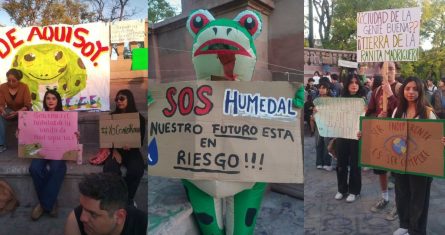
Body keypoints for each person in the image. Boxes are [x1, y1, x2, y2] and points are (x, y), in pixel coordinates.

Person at [390, 76, 443, 235]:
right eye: (407, 89)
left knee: (418, 198)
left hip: (421, 163)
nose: (411, 92)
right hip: (400, 161)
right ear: (403, 91)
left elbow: (436, 136)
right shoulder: (397, 111)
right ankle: (404, 225)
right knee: (402, 193)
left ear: (420, 91)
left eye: (415, 89)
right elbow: (390, 134)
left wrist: (442, 140)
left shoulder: (427, 112)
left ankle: (416, 230)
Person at [28, 89, 80, 220]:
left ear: (58, 101)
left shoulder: (66, 117)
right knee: (34, 168)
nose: (50, 101)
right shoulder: (37, 117)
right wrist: (21, 134)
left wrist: (76, 136)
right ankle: (50, 202)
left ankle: (43, 204)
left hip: (59, 151)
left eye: (53, 98)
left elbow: (71, 138)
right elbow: (31, 137)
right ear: (45, 101)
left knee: (57, 168)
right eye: (48, 98)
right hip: (42, 150)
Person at [365, 62, 402, 215]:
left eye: (391, 69)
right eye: (385, 69)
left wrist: (391, 96)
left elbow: (405, 112)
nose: (388, 72)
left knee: (399, 171)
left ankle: (400, 204)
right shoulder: (377, 90)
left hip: (398, 137)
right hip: (380, 136)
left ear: (397, 71)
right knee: (380, 170)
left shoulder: (402, 88)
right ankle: (385, 197)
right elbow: (369, 113)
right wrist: (377, 116)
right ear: (380, 71)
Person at [64, 173, 148, 235]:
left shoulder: (145, 226)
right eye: (83, 207)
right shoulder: (75, 220)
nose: (82, 218)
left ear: (119, 216)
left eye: (93, 214)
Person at [103, 89, 145, 206]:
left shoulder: (139, 118)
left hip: (132, 151)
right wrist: (114, 151)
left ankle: (128, 198)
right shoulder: (111, 117)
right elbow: (107, 137)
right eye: (117, 99)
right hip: (116, 150)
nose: (119, 101)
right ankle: (117, 197)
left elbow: (140, 140)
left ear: (129, 100)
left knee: (136, 170)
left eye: (122, 98)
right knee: (110, 170)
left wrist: (131, 144)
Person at [334, 74, 366, 203]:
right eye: (351, 82)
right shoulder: (340, 99)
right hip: (342, 134)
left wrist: (363, 130)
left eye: (356, 82)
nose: (354, 85)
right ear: (347, 85)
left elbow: (366, 119)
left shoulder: (363, 100)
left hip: (356, 136)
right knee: (341, 164)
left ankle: (354, 191)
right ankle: (342, 189)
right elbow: (333, 115)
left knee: (355, 165)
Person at [0, 68, 32, 152]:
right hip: (10, 111)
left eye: (13, 81)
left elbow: (28, 104)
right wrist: (2, 111)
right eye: (8, 80)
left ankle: (27, 144)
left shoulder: (24, 87)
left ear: (19, 80)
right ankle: (2, 144)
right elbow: (1, 104)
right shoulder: (2, 87)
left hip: (23, 111)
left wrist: (18, 112)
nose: (11, 83)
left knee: (30, 113)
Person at [314, 81, 333, 171]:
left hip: (328, 124)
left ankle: (327, 163)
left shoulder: (331, 100)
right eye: (320, 88)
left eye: (323, 88)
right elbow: (314, 111)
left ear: (327, 89)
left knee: (327, 143)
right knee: (318, 143)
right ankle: (319, 163)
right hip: (318, 123)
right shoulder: (317, 99)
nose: (321, 90)